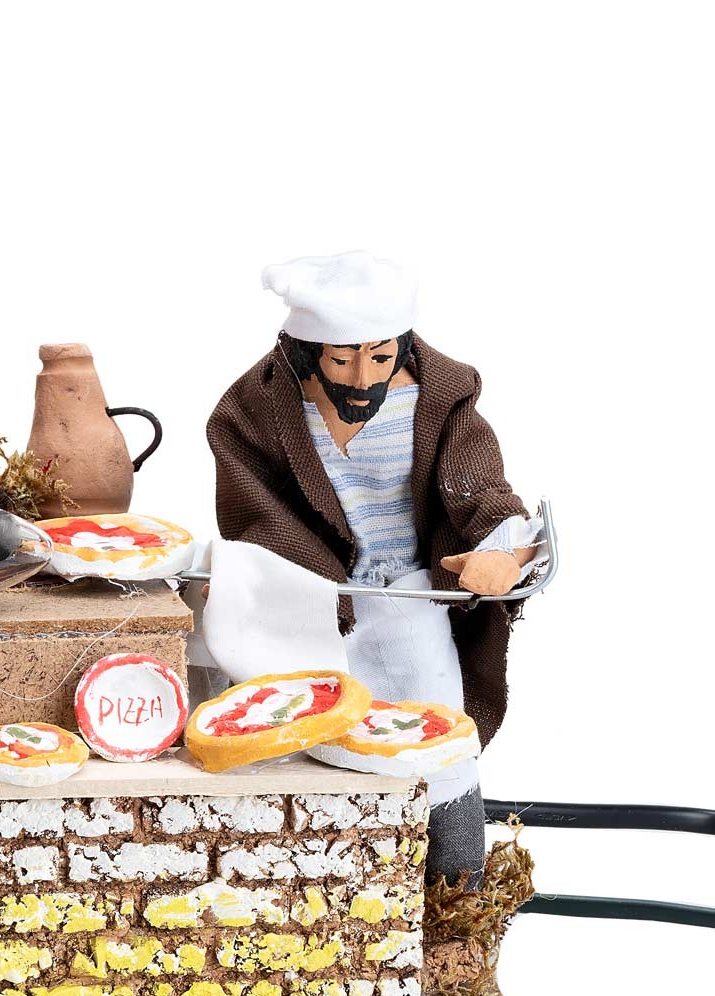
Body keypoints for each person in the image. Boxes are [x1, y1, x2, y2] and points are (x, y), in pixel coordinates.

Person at [207, 252, 541, 886]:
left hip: (411, 598)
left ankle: (455, 889)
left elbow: (483, 491)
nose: (363, 377)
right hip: (310, 598)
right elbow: (252, 510)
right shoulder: (259, 407)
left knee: (436, 734)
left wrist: (501, 552)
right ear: (308, 353)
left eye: (381, 357)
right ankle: (320, 881)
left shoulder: (440, 399)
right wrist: (307, 579)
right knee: (298, 730)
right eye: (341, 360)